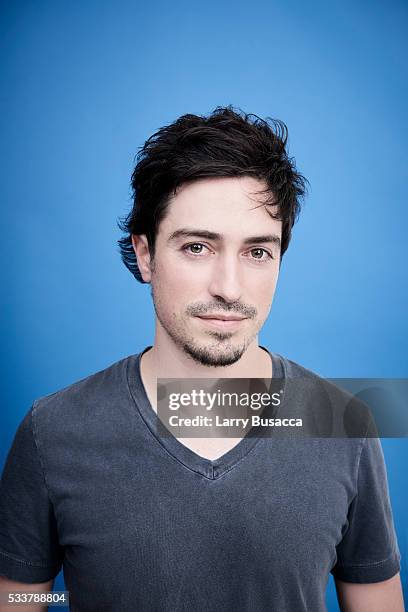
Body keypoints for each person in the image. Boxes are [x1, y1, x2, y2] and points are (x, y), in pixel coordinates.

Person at [0, 107, 404, 611]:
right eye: (197, 247)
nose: (229, 288)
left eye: (257, 252)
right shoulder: (52, 432)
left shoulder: (346, 425)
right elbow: (20, 600)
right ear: (145, 255)